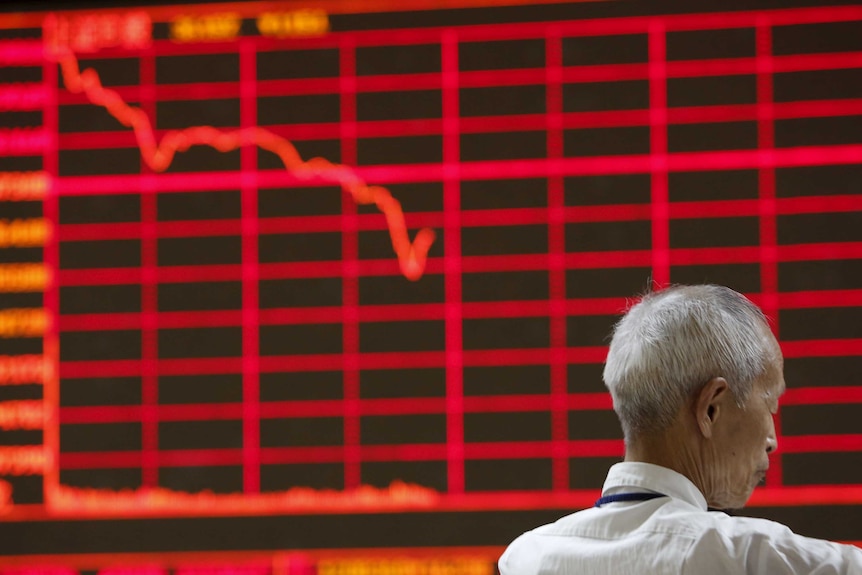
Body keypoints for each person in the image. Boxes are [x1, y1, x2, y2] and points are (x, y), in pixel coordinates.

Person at [499, 284, 862, 574]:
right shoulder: (756, 560)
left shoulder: (525, 559)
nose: (773, 440)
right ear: (711, 408)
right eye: (770, 406)